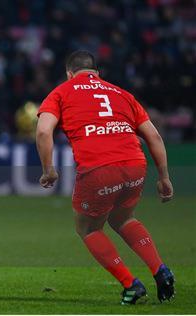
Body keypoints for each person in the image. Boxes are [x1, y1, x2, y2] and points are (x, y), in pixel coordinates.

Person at [36, 50, 175, 304]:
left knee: (88, 228)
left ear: (69, 74)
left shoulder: (62, 92)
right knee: (123, 219)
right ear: (97, 73)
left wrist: (49, 170)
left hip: (98, 168)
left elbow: (44, 131)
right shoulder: (121, 93)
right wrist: (164, 176)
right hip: (135, 163)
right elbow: (154, 136)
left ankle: (130, 285)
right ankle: (160, 270)